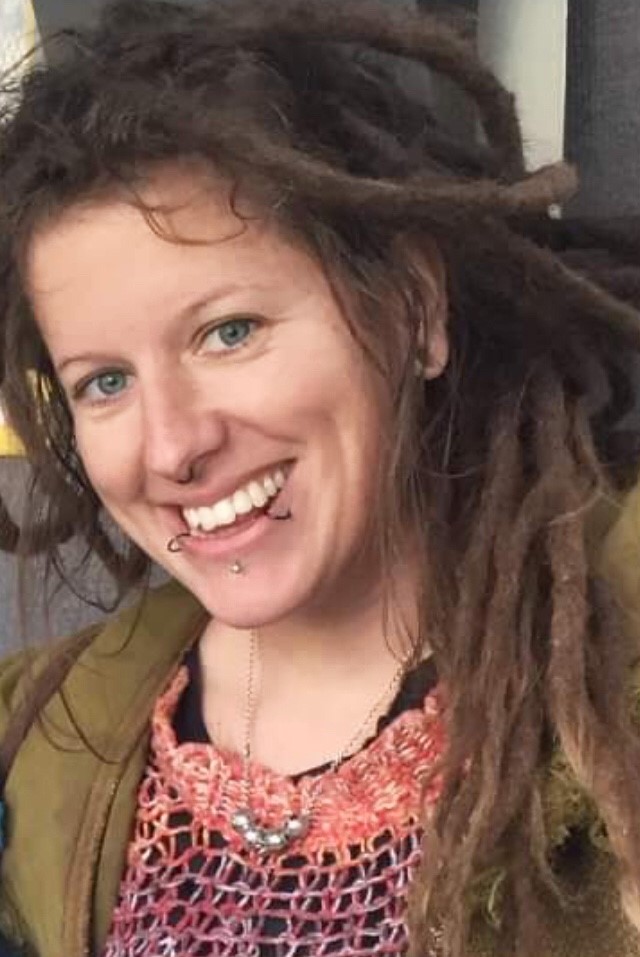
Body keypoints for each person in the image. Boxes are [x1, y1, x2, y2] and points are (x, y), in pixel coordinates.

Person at [1, 0, 640, 955]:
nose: (171, 447)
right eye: (105, 382)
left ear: (414, 308)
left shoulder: (613, 692)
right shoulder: (44, 744)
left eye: (229, 332)